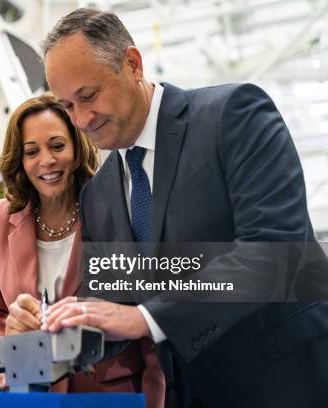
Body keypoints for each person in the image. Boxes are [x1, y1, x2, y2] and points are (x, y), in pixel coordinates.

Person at [40, 8, 328, 408]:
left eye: (88, 96)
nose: (82, 120)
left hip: (286, 384)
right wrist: (59, 329)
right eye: (68, 106)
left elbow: (272, 253)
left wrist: (147, 318)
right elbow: (112, 312)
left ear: (132, 64)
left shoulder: (233, 115)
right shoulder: (98, 195)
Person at [0, 94, 165, 405]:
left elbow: (147, 320)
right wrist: (5, 357)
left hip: (110, 397)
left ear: (77, 149)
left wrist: (155, 400)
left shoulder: (120, 209)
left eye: (57, 146)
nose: (46, 161)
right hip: (28, 395)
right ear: (20, 161)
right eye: (31, 151)